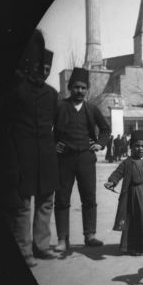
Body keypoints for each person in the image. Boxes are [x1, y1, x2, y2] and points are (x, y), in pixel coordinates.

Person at [3, 30, 59, 267]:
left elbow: (55, 122)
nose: (40, 72)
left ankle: (42, 246)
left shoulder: (52, 95)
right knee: (23, 204)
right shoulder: (17, 91)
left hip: (46, 156)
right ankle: (23, 251)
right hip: (23, 155)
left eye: (44, 69)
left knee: (46, 201)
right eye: (37, 67)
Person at [53, 67, 111, 252]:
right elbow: (47, 127)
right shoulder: (60, 106)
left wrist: (100, 144)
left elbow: (105, 129)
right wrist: (53, 144)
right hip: (64, 159)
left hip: (86, 159)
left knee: (89, 197)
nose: (79, 91)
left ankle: (90, 235)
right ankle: (63, 239)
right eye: (76, 87)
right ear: (70, 87)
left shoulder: (92, 109)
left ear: (87, 90)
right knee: (62, 198)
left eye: (83, 88)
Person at [104, 130, 143, 256]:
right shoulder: (128, 162)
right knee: (140, 216)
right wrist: (112, 181)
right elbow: (118, 173)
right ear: (131, 147)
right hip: (136, 194)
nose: (140, 149)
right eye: (137, 146)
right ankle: (137, 246)